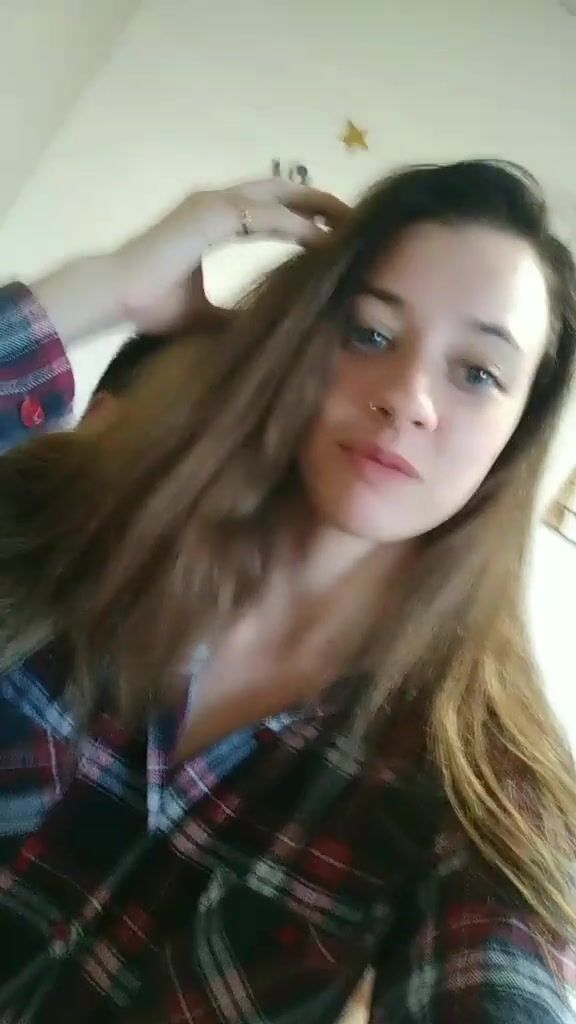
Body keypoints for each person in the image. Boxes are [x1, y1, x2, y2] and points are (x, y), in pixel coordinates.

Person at [0, 164, 574, 1023]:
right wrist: (110, 285)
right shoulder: (71, 530)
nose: (407, 399)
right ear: (303, 341)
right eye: (371, 334)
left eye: (478, 374)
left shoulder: (478, 784)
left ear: (517, 432)